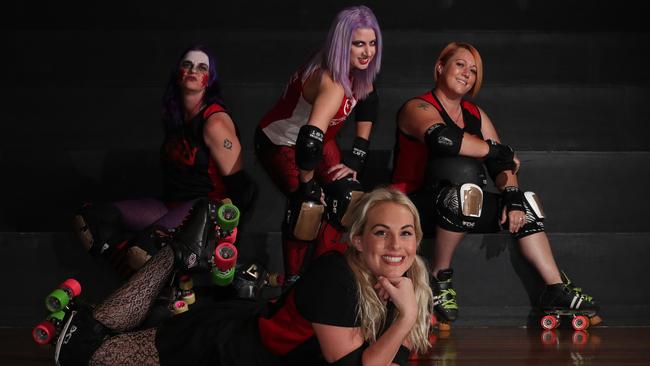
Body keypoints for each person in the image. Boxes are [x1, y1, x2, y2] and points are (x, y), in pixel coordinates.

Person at [53, 188, 434, 365]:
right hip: (224, 350)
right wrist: (407, 319)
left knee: (98, 333)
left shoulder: (412, 279)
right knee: (85, 353)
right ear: (357, 238)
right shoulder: (336, 275)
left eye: (406, 233)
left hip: (245, 323)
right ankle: (176, 254)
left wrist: (405, 318)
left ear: (417, 239)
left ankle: (176, 258)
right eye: (381, 232)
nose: (395, 245)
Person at [391, 42, 599, 325]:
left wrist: (512, 195)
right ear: (441, 67)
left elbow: (502, 164)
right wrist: (496, 151)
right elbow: (443, 139)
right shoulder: (417, 106)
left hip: (462, 203)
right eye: (460, 64)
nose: (467, 73)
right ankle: (440, 280)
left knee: (526, 204)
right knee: (461, 170)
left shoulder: (475, 114)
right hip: (411, 206)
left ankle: (554, 290)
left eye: (474, 71)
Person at [73, 45, 256, 274]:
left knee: (143, 250)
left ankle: (155, 277)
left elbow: (243, 187)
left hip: (203, 209)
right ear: (178, 73)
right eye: (187, 65)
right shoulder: (174, 116)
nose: (192, 70)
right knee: (90, 221)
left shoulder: (214, 122)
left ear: (209, 80)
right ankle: (131, 267)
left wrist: (224, 230)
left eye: (201, 67)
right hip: (170, 204)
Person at [255, 5, 382, 285]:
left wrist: (357, 157)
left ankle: (324, 274)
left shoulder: (358, 70)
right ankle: (295, 283)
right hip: (280, 142)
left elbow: (368, 103)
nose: (367, 52)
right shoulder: (332, 82)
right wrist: (307, 185)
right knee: (308, 206)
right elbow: (308, 141)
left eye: (372, 43)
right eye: (358, 44)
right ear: (341, 44)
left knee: (349, 197)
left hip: (318, 141)